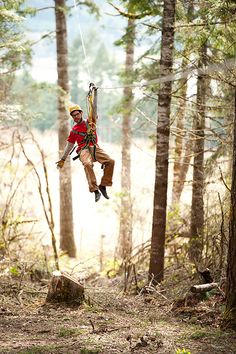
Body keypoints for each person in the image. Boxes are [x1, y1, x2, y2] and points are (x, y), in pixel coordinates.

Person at [56, 104, 115, 202]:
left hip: (95, 147)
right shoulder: (74, 131)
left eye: (77, 114)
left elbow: (94, 111)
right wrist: (63, 158)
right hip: (83, 150)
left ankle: (103, 185)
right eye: (73, 115)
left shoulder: (90, 122)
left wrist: (94, 93)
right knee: (87, 164)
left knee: (111, 161)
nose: (76, 117)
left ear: (81, 113)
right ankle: (95, 190)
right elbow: (69, 145)